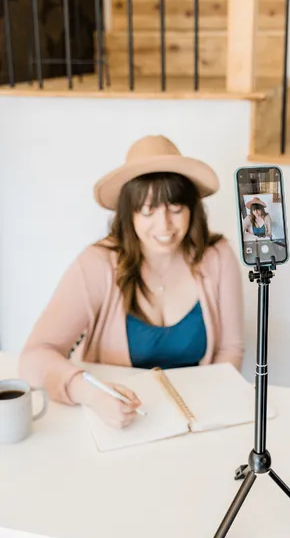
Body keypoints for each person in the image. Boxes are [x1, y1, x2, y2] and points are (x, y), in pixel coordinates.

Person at [19, 135, 244, 429]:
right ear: (129, 214)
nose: (164, 226)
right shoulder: (97, 264)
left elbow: (232, 348)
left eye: (175, 208)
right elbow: (34, 357)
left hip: (196, 418)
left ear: (192, 209)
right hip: (118, 422)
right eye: (148, 210)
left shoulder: (218, 257)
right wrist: (90, 393)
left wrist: (206, 410)